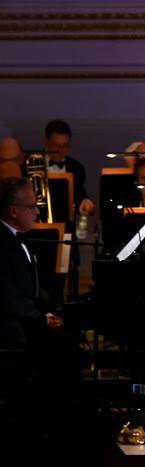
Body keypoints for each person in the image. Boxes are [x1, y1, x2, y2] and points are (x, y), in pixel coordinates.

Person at [0, 176, 85, 394]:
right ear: (13, 211)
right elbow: (9, 298)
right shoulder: (2, 242)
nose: (38, 212)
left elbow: (31, 290)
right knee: (66, 349)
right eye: (32, 207)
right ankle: (55, 412)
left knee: (72, 342)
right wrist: (42, 320)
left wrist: (49, 313)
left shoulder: (17, 238)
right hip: (11, 325)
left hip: (25, 319)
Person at [44, 119, 95, 218]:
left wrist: (86, 202)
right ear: (46, 141)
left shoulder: (76, 168)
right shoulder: (30, 164)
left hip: (67, 229)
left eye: (65, 146)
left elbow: (79, 194)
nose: (60, 150)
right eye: (56, 145)